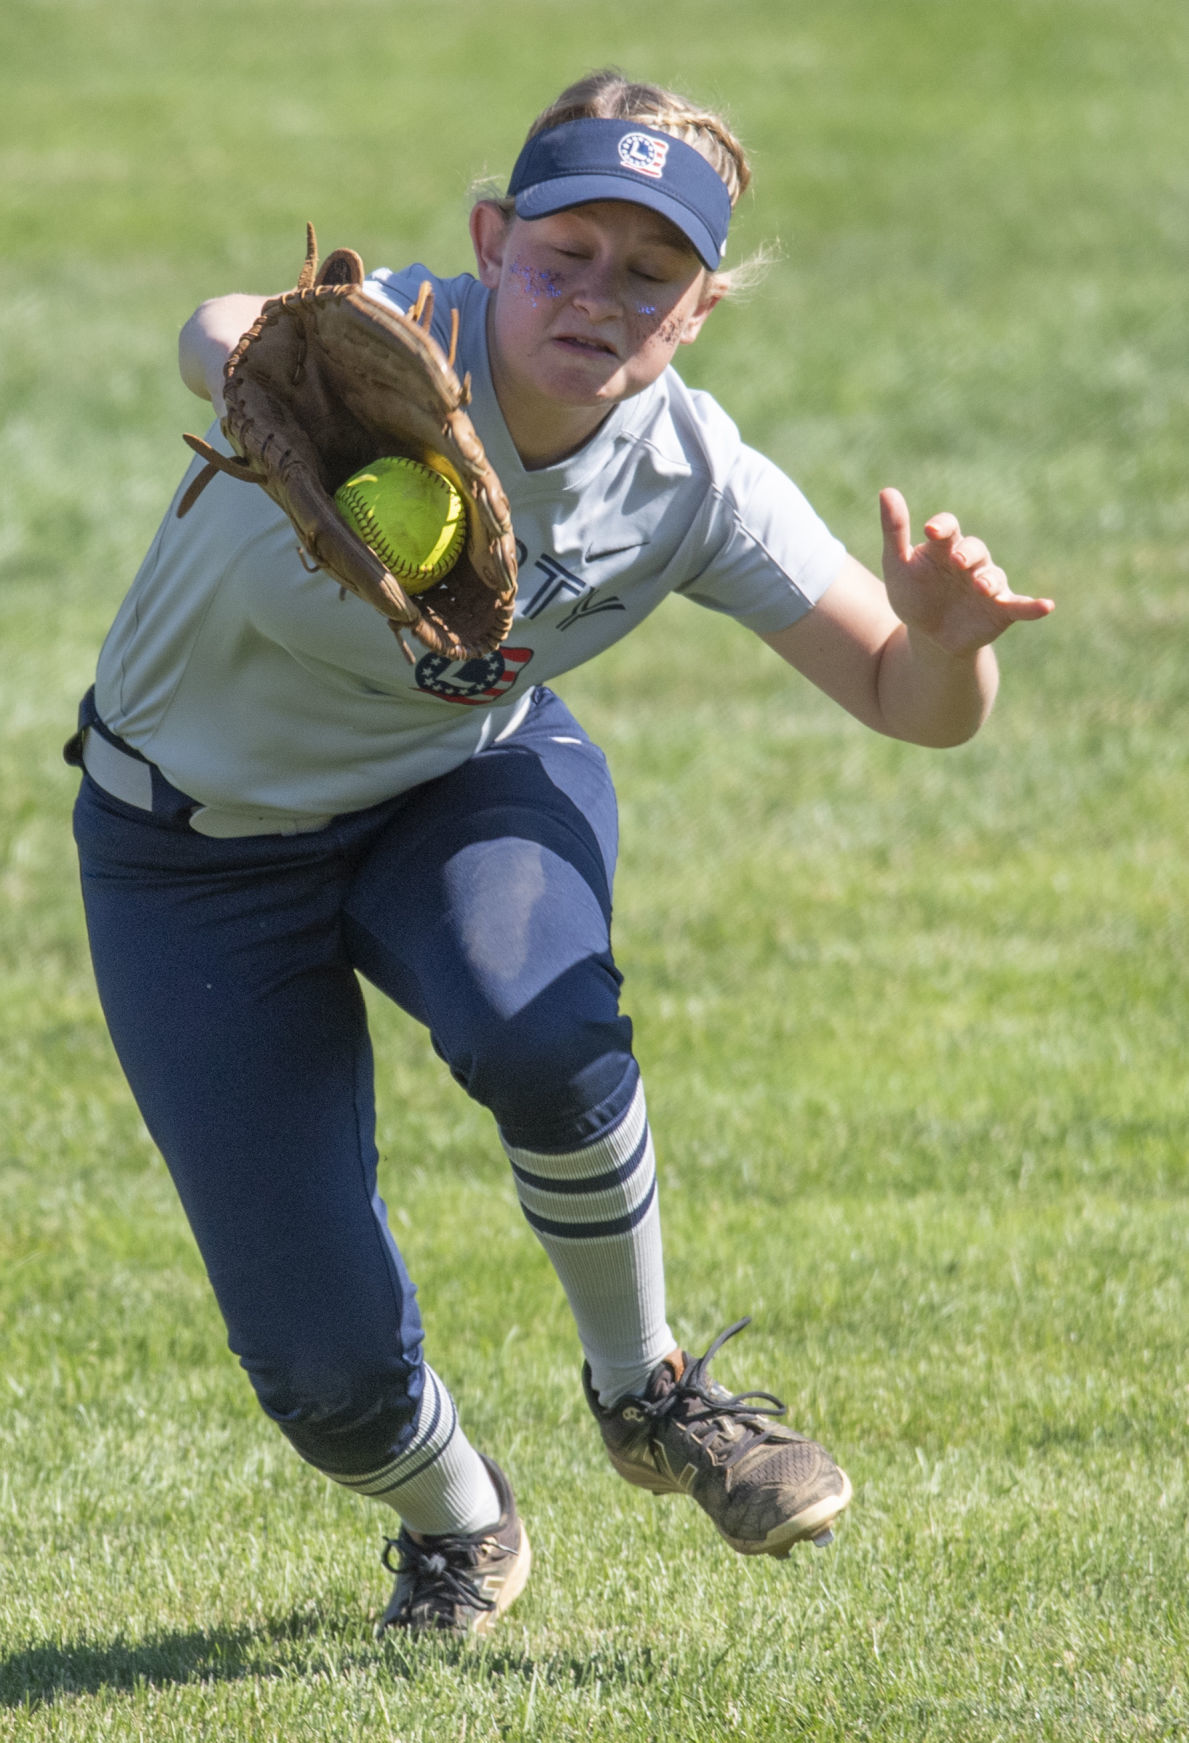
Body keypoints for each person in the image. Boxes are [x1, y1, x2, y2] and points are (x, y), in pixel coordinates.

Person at [68, 70, 1054, 1639]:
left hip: (457, 789)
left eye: (649, 274)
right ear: (488, 241)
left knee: (544, 1029)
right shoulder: (384, 344)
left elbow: (905, 700)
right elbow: (217, 323)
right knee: (321, 1377)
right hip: (192, 856)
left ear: (699, 309)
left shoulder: (689, 475)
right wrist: (262, 365)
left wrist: (950, 644)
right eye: (564, 253)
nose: (599, 296)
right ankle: (459, 1522)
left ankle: (649, 1387)